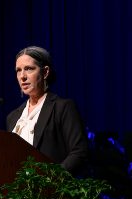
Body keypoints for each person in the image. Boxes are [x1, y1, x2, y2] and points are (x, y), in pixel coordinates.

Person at [7, 45, 88, 175]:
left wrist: (51, 180)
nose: (22, 76)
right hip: (19, 193)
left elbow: (79, 152)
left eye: (28, 69)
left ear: (45, 72)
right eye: (18, 70)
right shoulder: (13, 117)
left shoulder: (62, 107)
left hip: (51, 190)